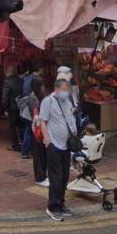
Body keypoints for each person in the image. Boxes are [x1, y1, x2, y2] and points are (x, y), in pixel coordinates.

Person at [39, 77, 78, 221]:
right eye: (63, 90)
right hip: (54, 145)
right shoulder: (47, 102)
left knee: (64, 177)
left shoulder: (67, 102)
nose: (66, 93)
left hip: (66, 145)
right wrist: (47, 141)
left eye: (68, 91)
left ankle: (61, 203)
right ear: (56, 90)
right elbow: (43, 121)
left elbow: (70, 119)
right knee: (55, 178)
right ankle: (53, 207)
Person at [30, 76, 48, 187]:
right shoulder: (33, 97)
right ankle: (40, 177)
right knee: (38, 154)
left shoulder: (41, 97)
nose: (43, 87)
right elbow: (36, 113)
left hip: (42, 128)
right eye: (42, 85)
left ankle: (43, 175)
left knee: (43, 153)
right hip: (37, 129)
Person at [1, 65, 24, 151]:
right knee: (21, 125)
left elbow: (5, 97)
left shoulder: (7, 81)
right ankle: (23, 142)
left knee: (12, 127)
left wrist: (5, 108)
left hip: (12, 107)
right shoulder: (20, 80)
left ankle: (15, 145)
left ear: (8, 72)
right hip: (21, 106)